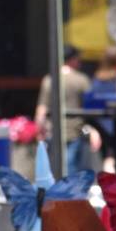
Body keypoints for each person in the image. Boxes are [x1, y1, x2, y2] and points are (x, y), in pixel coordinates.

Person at [35, 45, 94, 174]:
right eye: (78, 59)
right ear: (72, 60)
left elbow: (42, 108)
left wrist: (39, 128)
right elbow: (90, 106)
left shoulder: (49, 80)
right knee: (73, 168)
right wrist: (93, 129)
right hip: (76, 129)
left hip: (53, 130)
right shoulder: (81, 80)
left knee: (56, 168)